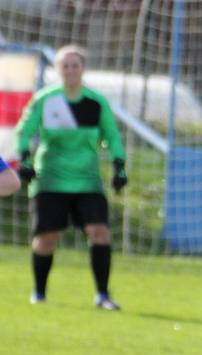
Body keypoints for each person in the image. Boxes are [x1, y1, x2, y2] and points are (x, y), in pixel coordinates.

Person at [15, 44, 128, 309]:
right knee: (46, 238)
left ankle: (102, 295)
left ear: (83, 68)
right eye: (65, 65)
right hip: (50, 179)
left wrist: (119, 166)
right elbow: (24, 131)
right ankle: (39, 294)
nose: (70, 70)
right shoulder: (45, 99)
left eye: (75, 65)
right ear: (58, 70)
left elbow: (112, 136)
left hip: (87, 180)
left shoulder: (96, 102)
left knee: (99, 232)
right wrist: (25, 160)